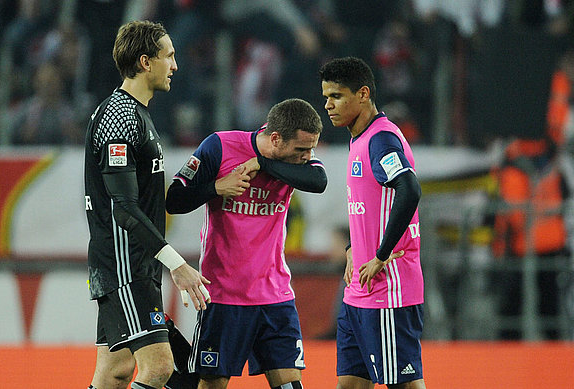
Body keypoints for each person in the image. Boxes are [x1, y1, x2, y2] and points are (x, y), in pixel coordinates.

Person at [166, 97, 327, 389]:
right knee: (211, 384)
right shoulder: (220, 147)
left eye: (311, 149)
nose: (307, 156)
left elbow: (319, 181)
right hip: (225, 296)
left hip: (275, 295)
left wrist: (262, 162)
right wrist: (217, 187)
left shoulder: (291, 153)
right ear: (275, 138)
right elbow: (174, 199)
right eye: (302, 150)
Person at [83, 20, 211, 389]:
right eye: (169, 56)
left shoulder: (137, 114)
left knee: (116, 373)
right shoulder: (119, 117)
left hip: (134, 264)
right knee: (161, 369)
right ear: (145, 61)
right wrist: (178, 264)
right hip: (125, 266)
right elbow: (122, 207)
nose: (175, 65)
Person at [320, 57, 425, 389]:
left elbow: (409, 190)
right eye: (326, 97)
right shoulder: (359, 139)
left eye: (336, 96)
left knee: (404, 383)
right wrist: (353, 248)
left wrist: (380, 254)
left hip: (388, 291)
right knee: (350, 384)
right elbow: (369, 209)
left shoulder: (382, 139)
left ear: (362, 94)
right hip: (358, 293)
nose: (328, 105)